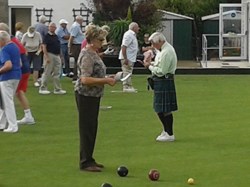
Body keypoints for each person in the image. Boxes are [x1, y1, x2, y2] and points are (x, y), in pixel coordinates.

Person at [75, 24, 116, 172]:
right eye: (100, 40)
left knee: (92, 127)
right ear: (92, 40)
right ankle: (85, 162)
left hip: (93, 96)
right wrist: (105, 81)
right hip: (86, 95)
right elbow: (85, 79)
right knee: (87, 128)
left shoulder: (93, 53)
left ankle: (89, 158)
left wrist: (105, 77)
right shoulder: (87, 55)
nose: (102, 43)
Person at [142, 32, 178, 142]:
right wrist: (151, 64)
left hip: (164, 80)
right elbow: (160, 65)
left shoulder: (167, 52)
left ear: (160, 41)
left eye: (153, 43)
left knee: (164, 109)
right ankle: (166, 130)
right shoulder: (162, 50)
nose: (153, 46)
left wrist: (149, 67)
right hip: (161, 81)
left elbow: (162, 71)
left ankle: (169, 133)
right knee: (160, 108)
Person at [0, 22, 35, 125]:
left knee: (9, 96)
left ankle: (9, 121)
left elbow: (16, 60)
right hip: (23, 69)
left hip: (19, 71)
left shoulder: (10, 44)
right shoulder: (14, 42)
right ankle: (27, 115)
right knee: (17, 93)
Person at [0, 30, 22, 133]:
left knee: (7, 102)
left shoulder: (4, 49)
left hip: (7, 77)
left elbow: (8, 65)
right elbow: (20, 63)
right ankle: (3, 123)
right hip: (16, 76)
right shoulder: (15, 46)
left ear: (2, 40)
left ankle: (13, 126)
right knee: (7, 101)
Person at [39, 22, 66, 95]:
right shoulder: (46, 36)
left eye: (54, 27)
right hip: (50, 54)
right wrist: (46, 56)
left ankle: (57, 89)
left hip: (57, 55)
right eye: (51, 27)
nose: (52, 28)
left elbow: (58, 46)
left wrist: (61, 56)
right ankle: (43, 88)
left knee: (57, 72)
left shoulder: (56, 36)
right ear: (49, 27)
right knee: (47, 72)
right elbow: (44, 47)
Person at [118, 22, 140, 92]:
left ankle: (129, 86)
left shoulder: (132, 35)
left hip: (131, 57)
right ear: (134, 28)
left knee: (129, 71)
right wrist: (125, 58)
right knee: (126, 71)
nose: (138, 29)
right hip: (127, 57)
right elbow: (124, 46)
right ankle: (126, 86)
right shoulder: (128, 34)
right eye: (137, 27)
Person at [68, 15, 84, 82]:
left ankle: (77, 75)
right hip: (76, 45)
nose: (82, 22)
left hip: (77, 45)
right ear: (79, 20)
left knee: (78, 61)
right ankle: (75, 76)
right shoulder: (76, 26)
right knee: (78, 61)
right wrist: (70, 47)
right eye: (82, 20)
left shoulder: (76, 26)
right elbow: (72, 37)